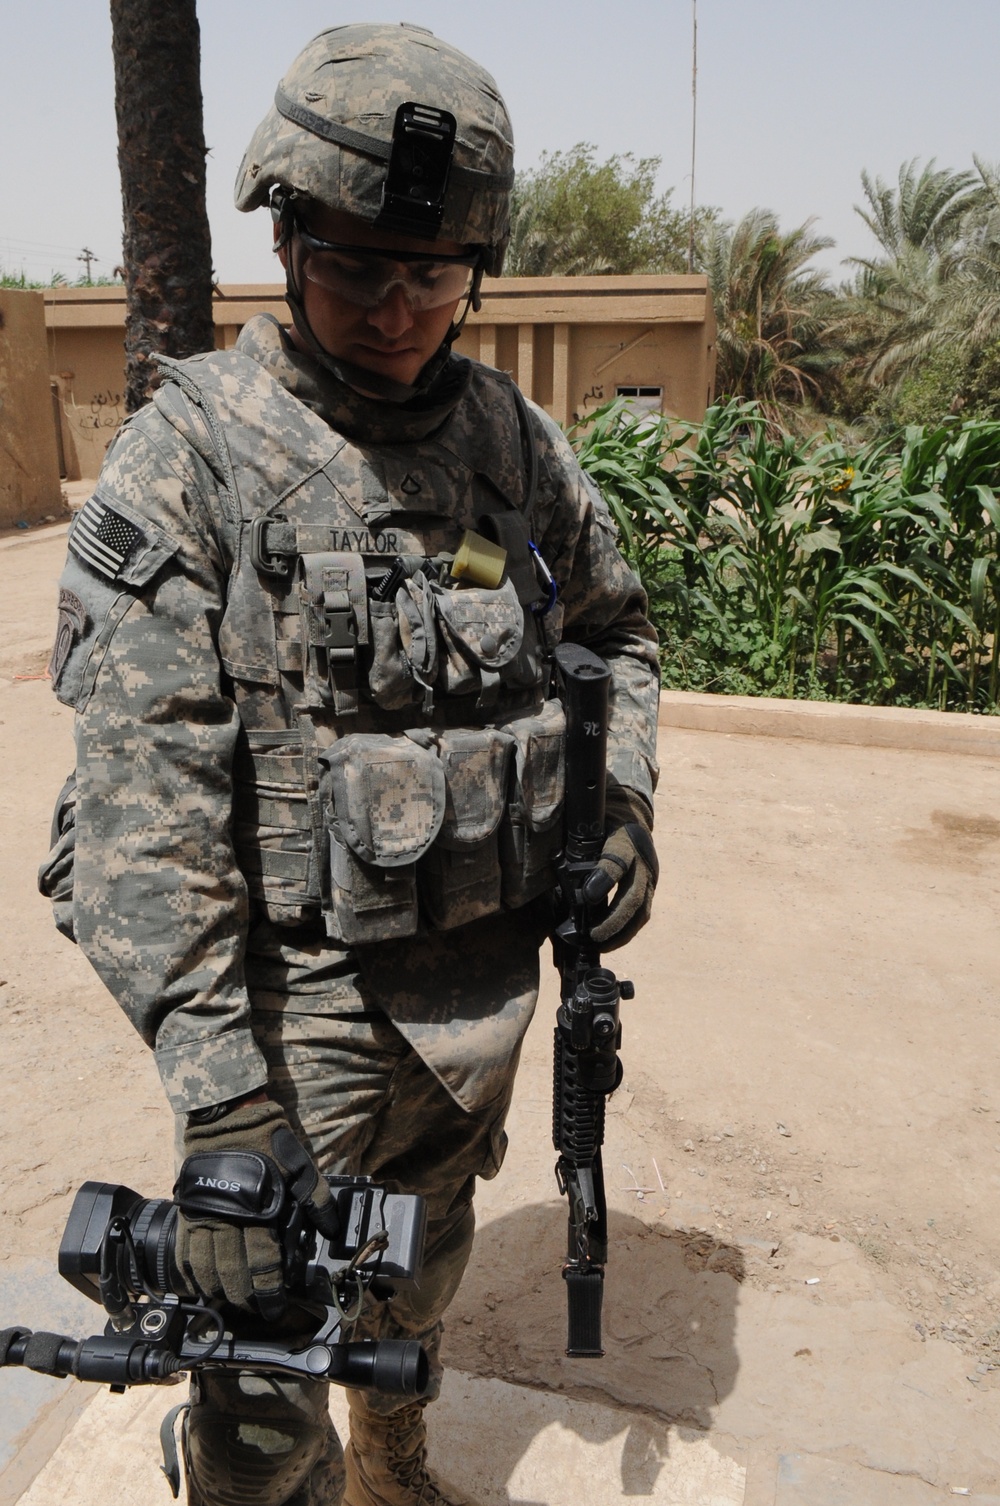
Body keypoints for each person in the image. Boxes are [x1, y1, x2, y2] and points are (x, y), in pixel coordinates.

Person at [43, 23, 659, 1506]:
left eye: (433, 273)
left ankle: (394, 1463)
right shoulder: (194, 457)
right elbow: (142, 815)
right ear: (285, 230)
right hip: (287, 1012)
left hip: (476, 994)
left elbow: (615, 631)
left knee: (415, 1280)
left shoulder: (510, 444)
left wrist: (619, 803)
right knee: (258, 1391)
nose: (396, 309)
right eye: (355, 265)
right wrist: (220, 1096)